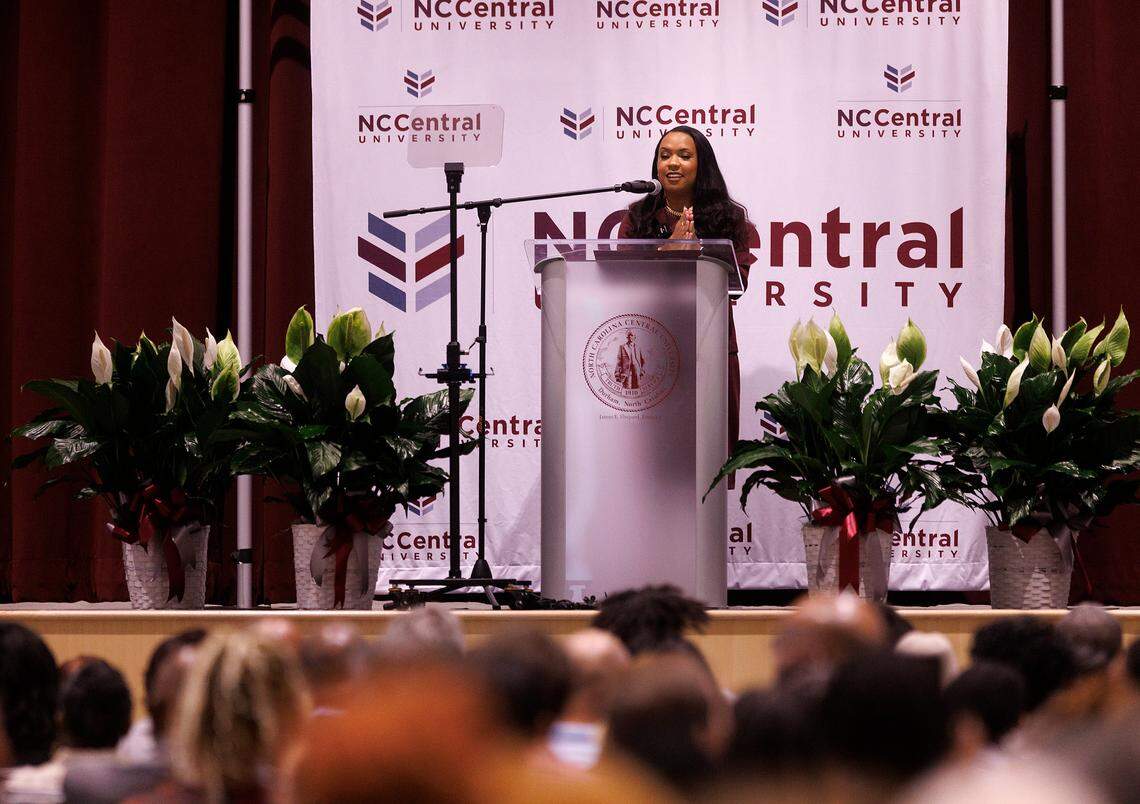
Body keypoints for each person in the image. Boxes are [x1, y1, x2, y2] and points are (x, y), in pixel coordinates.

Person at [617, 125, 756, 454]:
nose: (672, 163)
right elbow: (624, 281)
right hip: (653, 348)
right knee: (656, 460)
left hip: (711, 344)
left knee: (707, 456)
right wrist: (671, 250)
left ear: (702, 164)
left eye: (684, 155)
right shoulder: (638, 218)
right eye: (664, 156)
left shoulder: (728, 218)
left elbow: (739, 282)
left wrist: (698, 254)